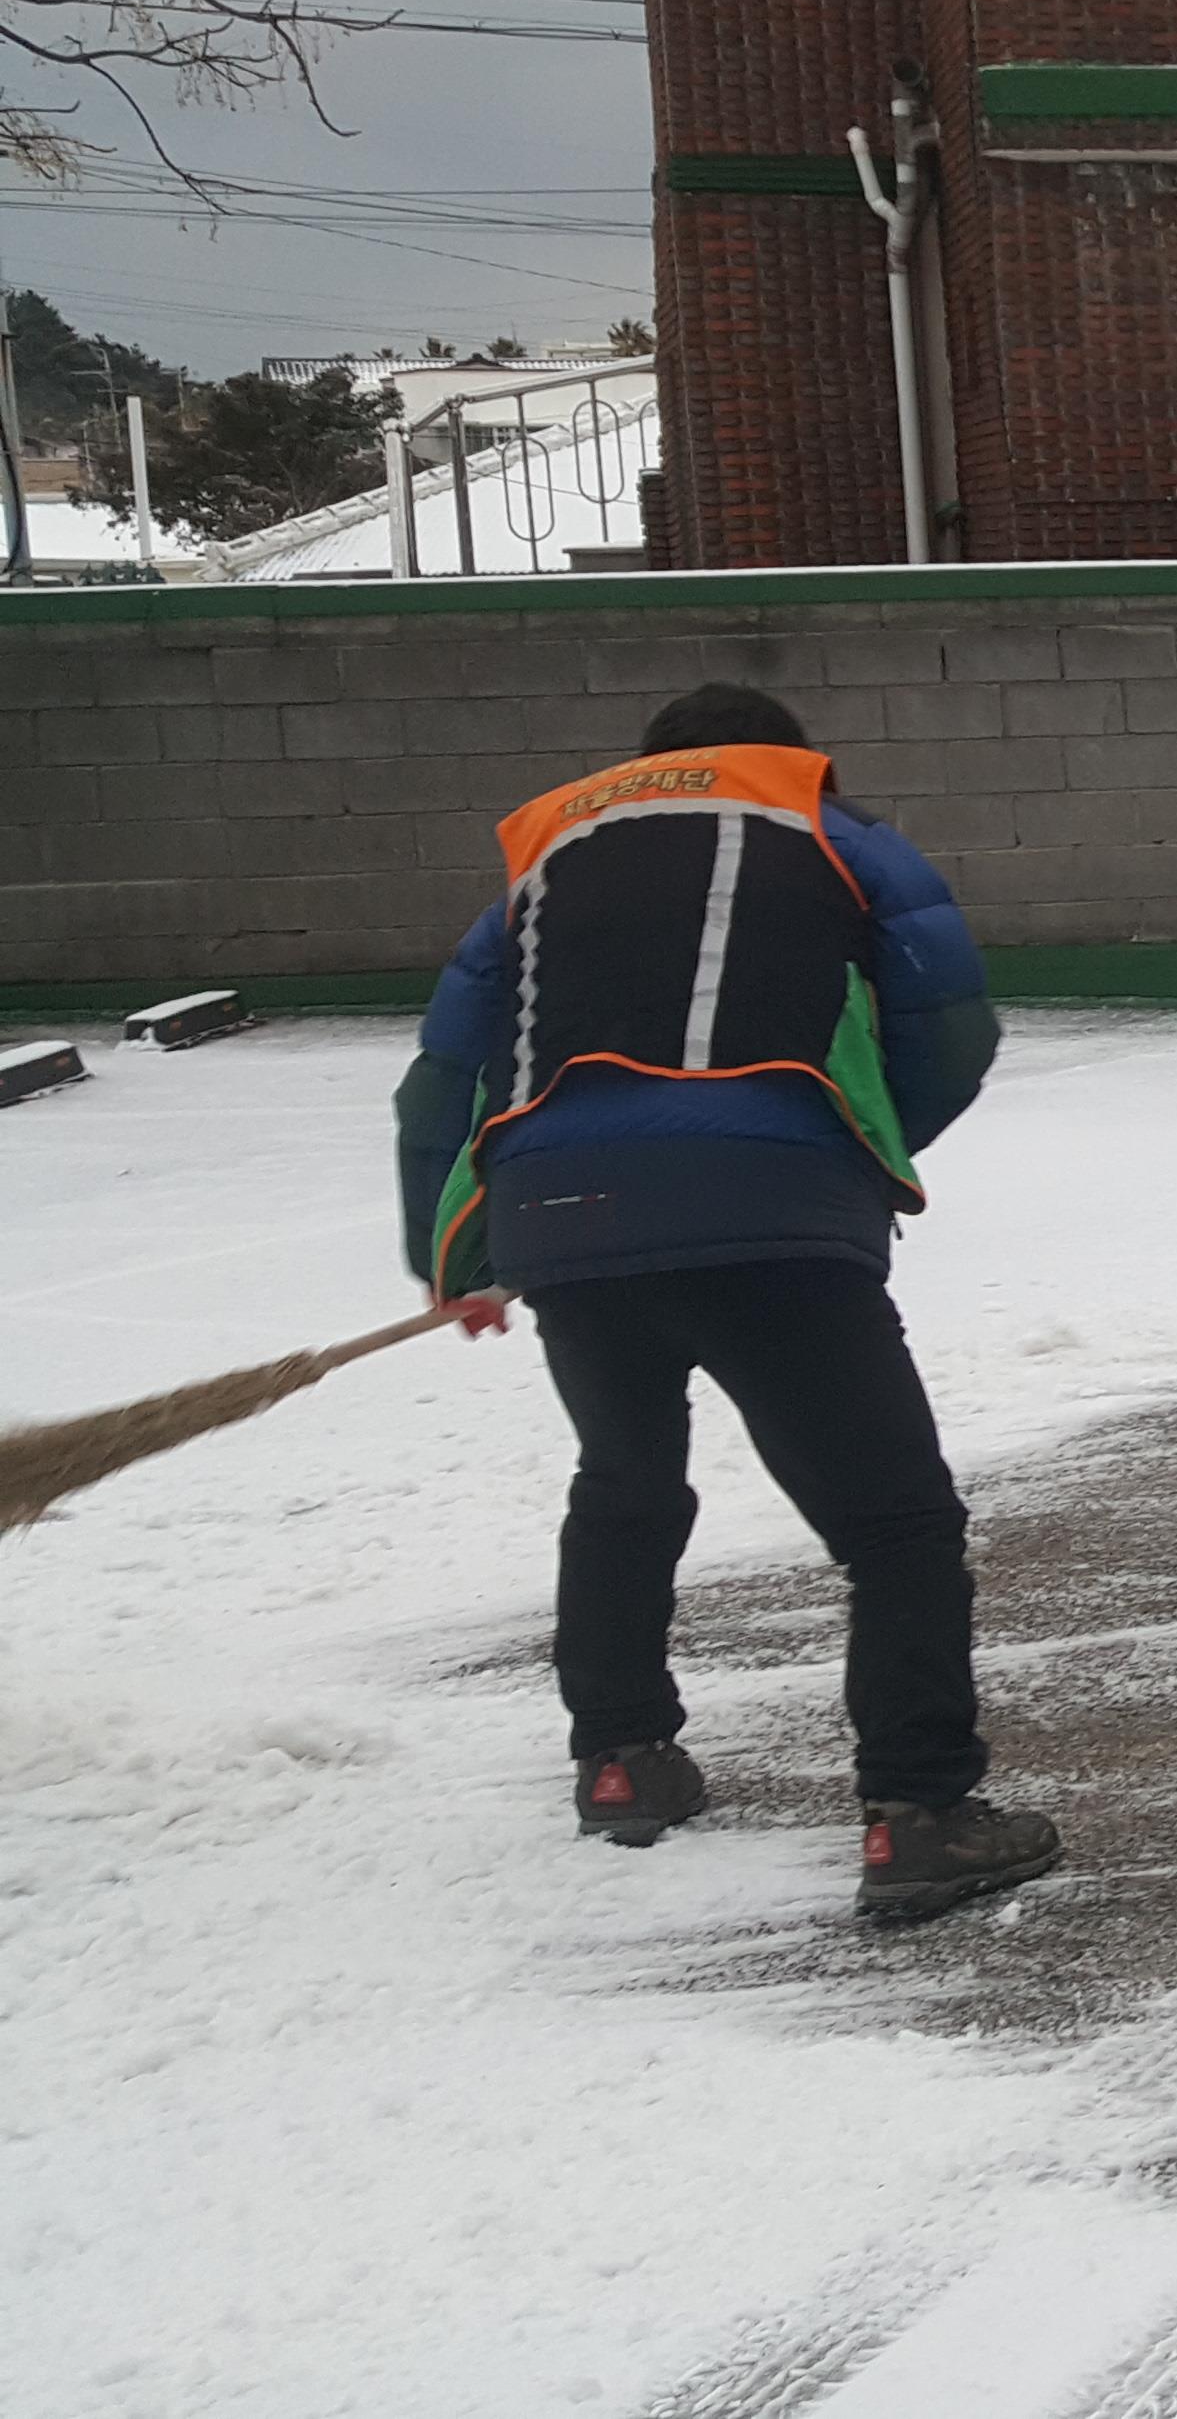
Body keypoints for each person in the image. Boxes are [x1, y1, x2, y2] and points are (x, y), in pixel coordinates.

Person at [395, 682, 1055, 1923]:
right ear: (794, 759)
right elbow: (952, 1023)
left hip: (565, 1222)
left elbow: (440, 1082)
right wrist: (851, 1151)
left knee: (626, 1483)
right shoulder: (836, 833)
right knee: (895, 1526)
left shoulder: (542, 866)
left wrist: (455, 1259)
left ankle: (620, 1759)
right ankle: (918, 1813)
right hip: (775, 1220)